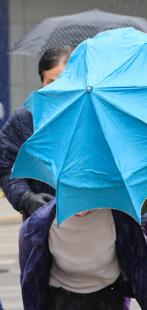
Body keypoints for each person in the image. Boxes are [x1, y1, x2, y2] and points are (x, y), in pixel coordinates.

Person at [19, 201, 147, 310]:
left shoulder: (121, 219)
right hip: (61, 300)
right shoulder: (39, 225)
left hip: (107, 299)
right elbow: (32, 287)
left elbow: (142, 275)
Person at [0, 47, 73, 219]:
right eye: (51, 82)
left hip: (92, 219)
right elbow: (7, 166)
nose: (57, 89)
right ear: (42, 81)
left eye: (64, 80)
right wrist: (26, 198)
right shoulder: (23, 120)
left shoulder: (92, 116)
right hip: (41, 223)